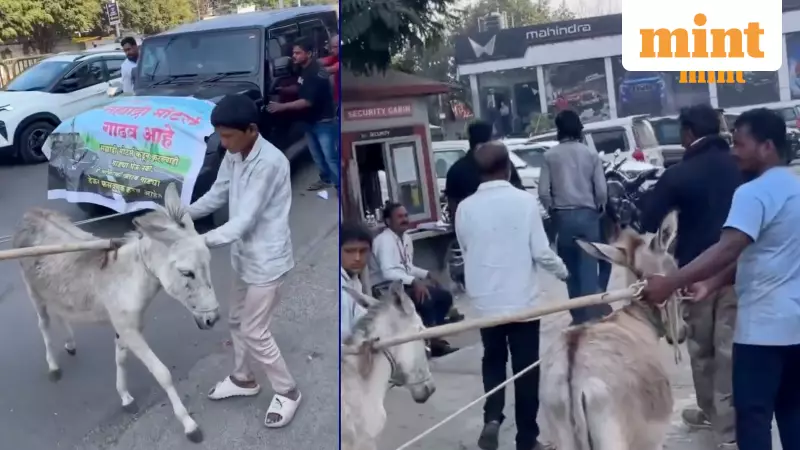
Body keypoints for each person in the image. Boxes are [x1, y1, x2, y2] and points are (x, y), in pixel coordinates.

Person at [640, 108, 800, 450]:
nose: (734, 151)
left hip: (763, 333)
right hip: (795, 328)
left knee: (752, 417)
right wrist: (713, 284)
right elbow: (758, 253)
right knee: (792, 412)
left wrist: (669, 283)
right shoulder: (794, 186)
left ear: (767, 146)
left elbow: (728, 248)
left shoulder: (753, 193)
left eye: (741, 144)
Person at [187, 94, 301, 429]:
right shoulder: (234, 154)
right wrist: (183, 213)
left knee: (254, 329)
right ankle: (243, 378)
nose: (223, 143)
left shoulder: (270, 162)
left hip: (268, 260)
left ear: (251, 129)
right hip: (243, 256)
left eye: (227, 136)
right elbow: (218, 194)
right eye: (220, 136)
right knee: (237, 320)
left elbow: (243, 222)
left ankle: (288, 391)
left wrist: (196, 240)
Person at [639, 104, 741, 448]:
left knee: (702, 349)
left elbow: (647, 222)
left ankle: (716, 417)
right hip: (740, 271)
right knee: (729, 350)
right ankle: (728, 427)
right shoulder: (741, 166)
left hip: (696, 275)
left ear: (688, 134)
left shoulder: (678, 174)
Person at [456, 141, 568, 450]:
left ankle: (492, 417)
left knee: (493, 359)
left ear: (478, 173)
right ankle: (526, 440)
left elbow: (466, 250)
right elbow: (542, 252)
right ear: (508, 168)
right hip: (522, 302)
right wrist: (563, 272)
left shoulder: (465, 208)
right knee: (526, 370)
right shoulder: (524, 201)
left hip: (485, 302)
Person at [538, 110, 611, 325]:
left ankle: (577, 316)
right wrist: (600, 207)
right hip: (588, 215)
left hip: (563, 218)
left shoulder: (550, 156)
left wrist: (552, 209)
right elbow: (601, 191)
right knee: (589, 265)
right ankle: (591, 314)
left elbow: (543, 191)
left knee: (569, 268)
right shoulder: (591, 155)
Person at [371, 203, 458, 357]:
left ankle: (430, 336)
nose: (404, 219)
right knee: (425, 299)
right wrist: (414, 282)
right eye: (399, 217)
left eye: (405, 216)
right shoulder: (384, 240)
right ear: (388, 221)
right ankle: (432, 341)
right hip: (385, 289)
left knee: (444, 297)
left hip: (402, 286)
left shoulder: (405, 238)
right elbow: (387, 272)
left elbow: (407, 266)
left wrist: (427, 274)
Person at [268, 38, 338, 192]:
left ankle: (343, 189)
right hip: (310, 121)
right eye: (294, 52)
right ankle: (325, 179)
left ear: (309, 54)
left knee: (330, 157)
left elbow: (306, 101)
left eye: (298, 53)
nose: (294, 56)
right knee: (317, 156)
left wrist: (281, 106)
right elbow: (299, 88)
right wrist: (281, 90)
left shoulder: (315, 72)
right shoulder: (304, 69)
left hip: (323, 122)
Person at [445, 120, 525, 225]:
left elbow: (453, 208)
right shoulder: (501, 163)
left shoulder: (456, 169)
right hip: (505, 225)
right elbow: (519, 191)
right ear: (489, 140)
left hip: (470, 229)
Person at [340, 222, 372, 339]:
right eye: (349, 251)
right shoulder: (341, 293)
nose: (357, 258)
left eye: (363, 251)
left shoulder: (353, 279)